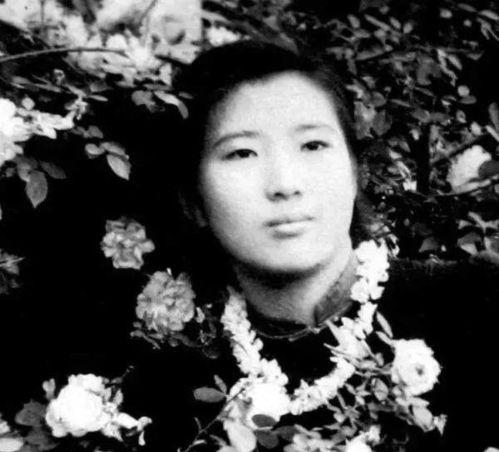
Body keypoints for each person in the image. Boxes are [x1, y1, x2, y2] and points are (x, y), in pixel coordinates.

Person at [124, 40, 499, 452]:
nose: (285, 184)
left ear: (356, 172)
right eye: (242, 153)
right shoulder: (163, 375)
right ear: (192, 201)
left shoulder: (478, 306)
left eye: (313, 145)